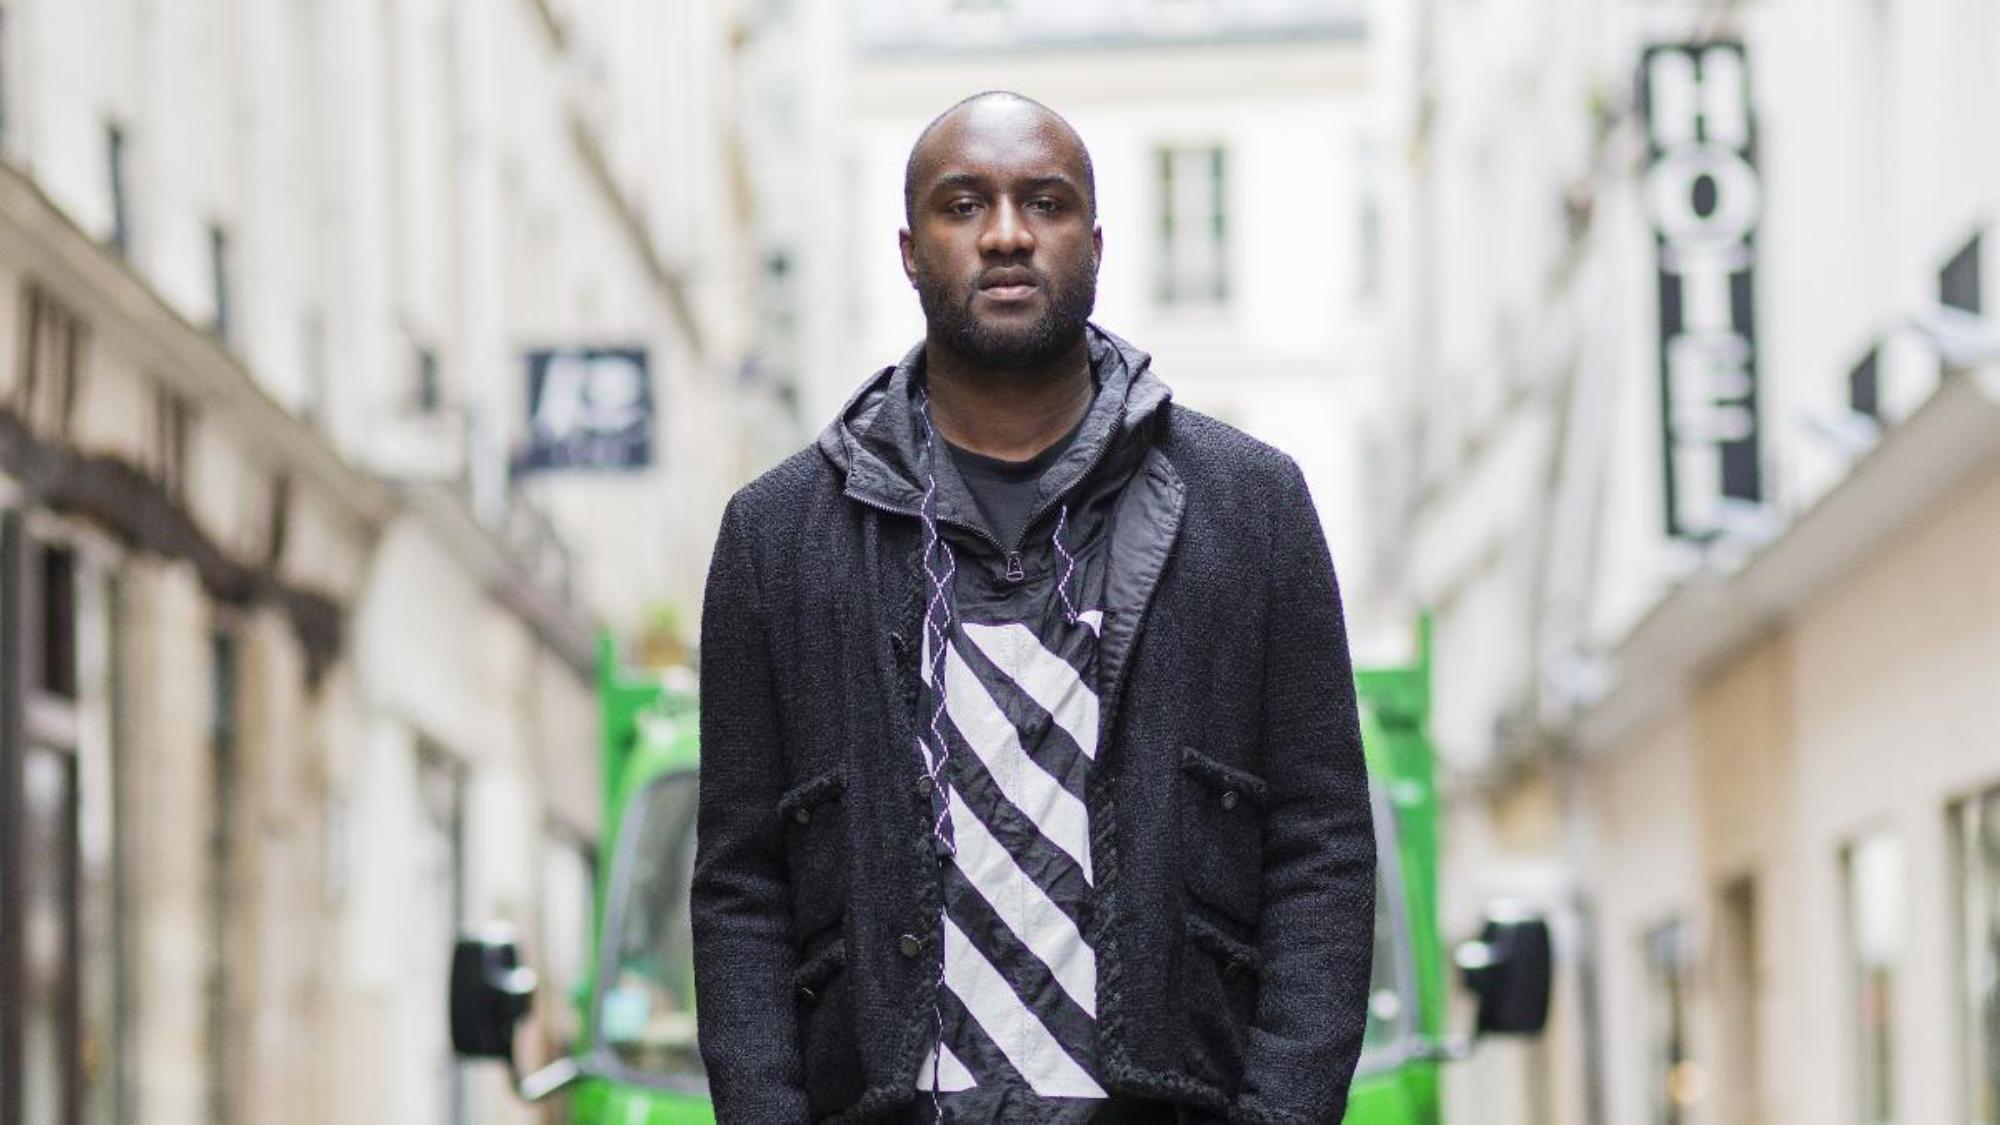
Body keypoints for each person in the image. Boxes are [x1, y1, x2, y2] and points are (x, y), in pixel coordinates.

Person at [692, 90, 1375, 1124]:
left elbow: (1321, 847)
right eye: (962, 205)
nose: (1005, 234)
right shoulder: (776, 535)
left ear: (1094, 242)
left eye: (1042, 203)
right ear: (908, 251)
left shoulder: (1249, 504)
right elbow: (741, 887)